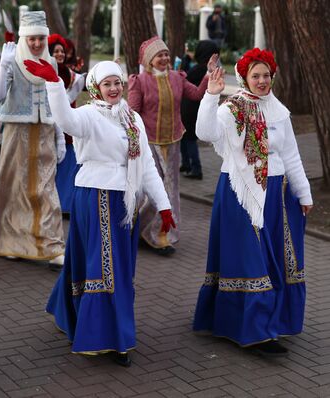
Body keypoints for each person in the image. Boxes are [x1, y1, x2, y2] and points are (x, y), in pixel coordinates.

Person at [24, 59, 174, 365]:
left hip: (125, 200)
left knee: (100, 262)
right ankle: (109, 337)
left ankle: (69, 310)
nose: (114, 88)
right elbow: (66, 121)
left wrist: (164, 205)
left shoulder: (133, 119)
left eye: (117, 82)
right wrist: (54, 84)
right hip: (96, 196)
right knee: (108, 269)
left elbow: (145, 165)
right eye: (107, 84)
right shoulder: (89, 115)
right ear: (96, 87)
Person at [192, 49, 313, 356]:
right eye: (255, 76)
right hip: (241, 192)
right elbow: (205, 133)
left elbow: (291, 154)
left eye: (266, 75)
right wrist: (210, 95)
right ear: (244, 77)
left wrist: (303, 192)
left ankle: (273, 322)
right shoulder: (232, 108)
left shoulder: (279, 110)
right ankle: (256, 330)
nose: (262, 81)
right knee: (251, 259)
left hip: (277, 192)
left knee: (274, 258)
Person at [128, 36, 217, 255]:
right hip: (149, 144)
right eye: (160, 55)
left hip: (174, 142)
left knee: (170, 190)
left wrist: (208, 74)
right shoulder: (139, 81)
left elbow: (196, 94)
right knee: (151, 191)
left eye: (166, 54)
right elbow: (133, 112)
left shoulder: (177, 78)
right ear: (149, 59)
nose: (165, 58)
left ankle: (160, 235)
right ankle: (140, 229)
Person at [0, 11, 66, 265]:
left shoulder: (52, 65)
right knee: (15, 188)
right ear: (24, 39)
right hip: (16, 133)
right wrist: (3, 65)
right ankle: (12, 241)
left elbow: (56, 104)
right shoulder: (12, 61)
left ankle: (52, 246)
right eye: (31, 39)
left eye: (40, 39)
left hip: (44, 132)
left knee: (46, 189)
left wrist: (60, 138)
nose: (36, 44)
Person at [48, 33, 85, 214]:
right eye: (56, 51)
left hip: (67, 126)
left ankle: (66, 204)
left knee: (69, 166)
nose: (60, 54)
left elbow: (83, 85)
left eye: (62, 51)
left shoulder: (70, 74)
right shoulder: (43, 72)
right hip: (48, 126)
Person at [180, 40, 220, 180]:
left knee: (189, 138)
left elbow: (184, 77)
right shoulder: (208, 70)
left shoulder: (199, 69)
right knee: (185, 137)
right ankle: (186, 164)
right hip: (195, 108)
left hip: (190, 109)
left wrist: (184, 61)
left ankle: (196, 168)